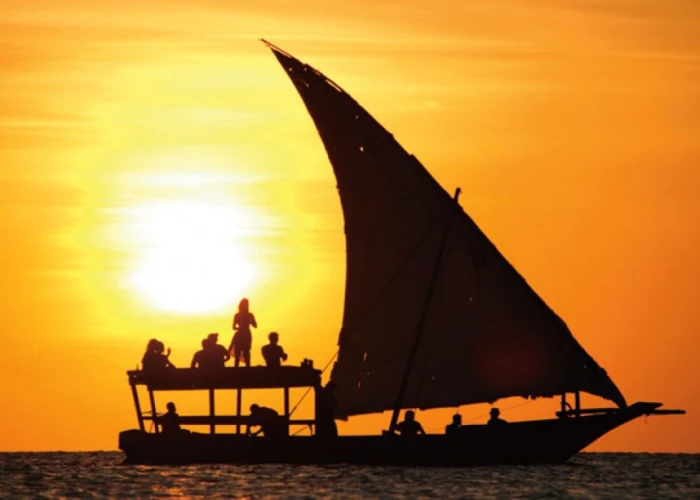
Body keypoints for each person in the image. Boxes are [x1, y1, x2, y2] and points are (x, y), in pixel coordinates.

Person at [230, 298, 257, 367]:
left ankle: (247, 367)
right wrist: (240, 328)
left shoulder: (250, 315)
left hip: (246, 334)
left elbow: (255, 325)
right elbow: (233, 327)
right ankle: (236, 368)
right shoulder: (237, 315)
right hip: (240, 334)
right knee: (237, 352)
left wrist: (250, 322)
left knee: (246, 351)